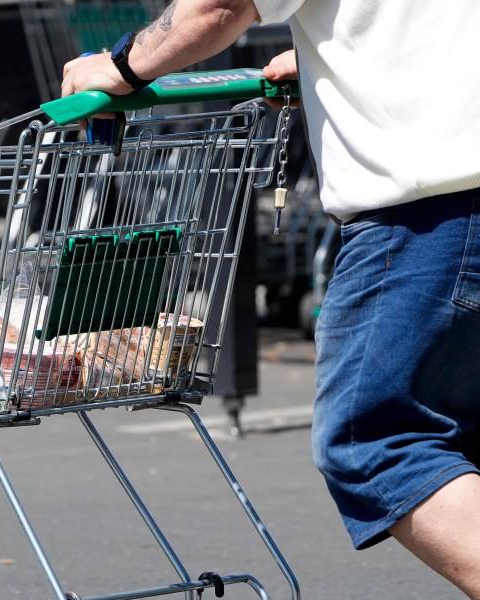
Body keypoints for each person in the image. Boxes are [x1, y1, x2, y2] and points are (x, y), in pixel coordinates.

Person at [62, 1, 480, 598]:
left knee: (378, 440)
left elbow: (219, 6)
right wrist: (324, 54)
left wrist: (122, 64)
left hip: (434, 204)